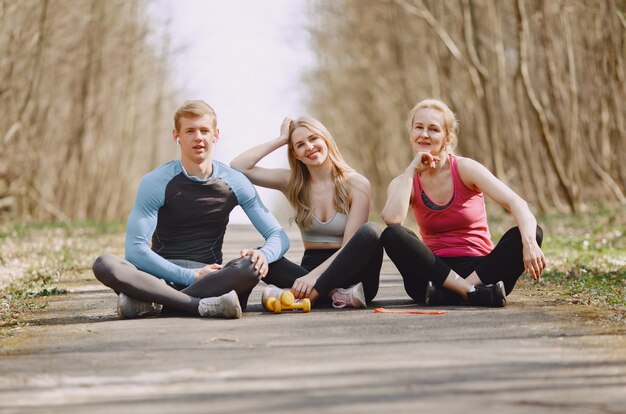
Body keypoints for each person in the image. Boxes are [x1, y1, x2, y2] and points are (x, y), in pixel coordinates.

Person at [92, 100, 289, 319]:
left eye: (204, 130)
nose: (198, 137)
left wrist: (263, 254)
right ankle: (198, 305)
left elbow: (278, 235)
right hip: (157, 278)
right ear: (176, 136)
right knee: (105, 264)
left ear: (215, 135)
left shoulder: (235, 181)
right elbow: (135, 249)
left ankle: (152, 302)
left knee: (252, 267)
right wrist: (190, 276)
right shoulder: (156, 181)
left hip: (212, 281)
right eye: (190, 131)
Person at [380, 98, 546, 307]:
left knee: (531, 232)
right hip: (434, 273)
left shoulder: (465, 169)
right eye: (419, 127)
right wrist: (411, 170)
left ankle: (459, 292)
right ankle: (473, 293)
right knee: (393, 234)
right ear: (411, 134)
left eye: (433, 129)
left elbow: (517, 202)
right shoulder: (404, 181)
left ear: (447, 138)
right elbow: (392, 219)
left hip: (481, 270)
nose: (424, 134)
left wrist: (530, 244)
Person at [230, 117, 382, 308]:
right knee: (261, 257)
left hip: (353, 276)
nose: (309, 147)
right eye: (300, 145)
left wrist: (313, 278)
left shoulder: (357, 184)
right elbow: (239, 166)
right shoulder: (293, 183)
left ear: (326, 140)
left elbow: (350, 247)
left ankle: (309, 295)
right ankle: (335, 296)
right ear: (296, 155)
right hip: (308, 271)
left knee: (371, 232)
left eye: (313, 139)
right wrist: (280, 139)